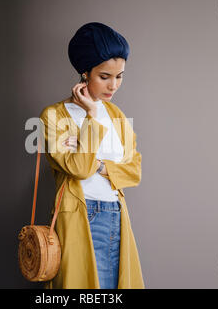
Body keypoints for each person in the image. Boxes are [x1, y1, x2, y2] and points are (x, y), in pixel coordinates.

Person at [39, 22, 144, 289]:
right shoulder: (54, 116)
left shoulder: (118, 116)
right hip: (81, 215)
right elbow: (80, 169)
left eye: (120, 76)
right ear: (85, 73)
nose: (114, 85)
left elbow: (134, 171)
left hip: (116, 215)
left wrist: (98, 164)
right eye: (105, 76)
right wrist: (91, 116)